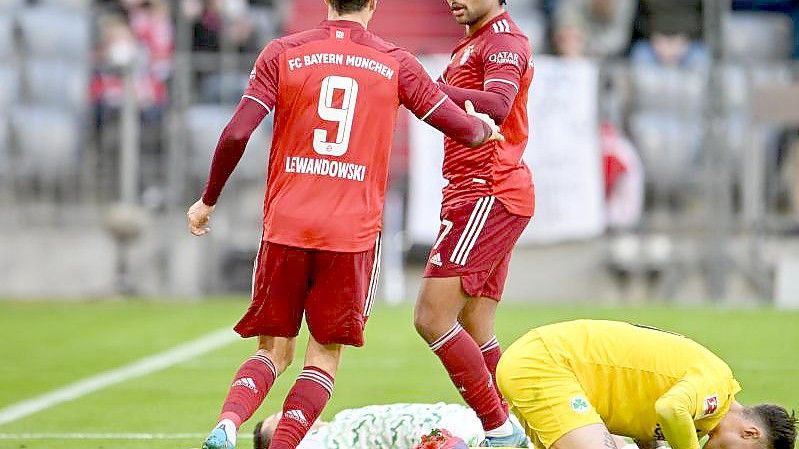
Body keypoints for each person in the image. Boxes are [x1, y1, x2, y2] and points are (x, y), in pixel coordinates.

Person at [185, 0, 504, 447]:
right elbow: (462, 129)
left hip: (285, 225)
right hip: (350, 236)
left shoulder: (282, 52)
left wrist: (208, 200)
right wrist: (484, 128)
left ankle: (228, 422)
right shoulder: (396, 62)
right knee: (322, 358)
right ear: (373, 4)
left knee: (272, 352)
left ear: (327, 2)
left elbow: (238, 132)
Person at [413, 0, 534, 446]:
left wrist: (424, 87)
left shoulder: (503, 40)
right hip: (476, 190)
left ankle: (500, 430)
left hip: (489, 190)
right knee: (478, 328)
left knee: (431, 316)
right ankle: (530, 424)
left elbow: (498, 106)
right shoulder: (472, 42)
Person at [496, 320, 797, 449]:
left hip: (541, 364)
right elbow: (669, 408)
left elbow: (649, 407)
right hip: (546, 363)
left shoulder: (699, 420)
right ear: (750, 433)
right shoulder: (717, 387)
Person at [253, 403, 486, 449]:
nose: (287, 416)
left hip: (460, 418)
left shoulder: (338, 422)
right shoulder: (317, 443)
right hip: (438, 437)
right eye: (280, 422)